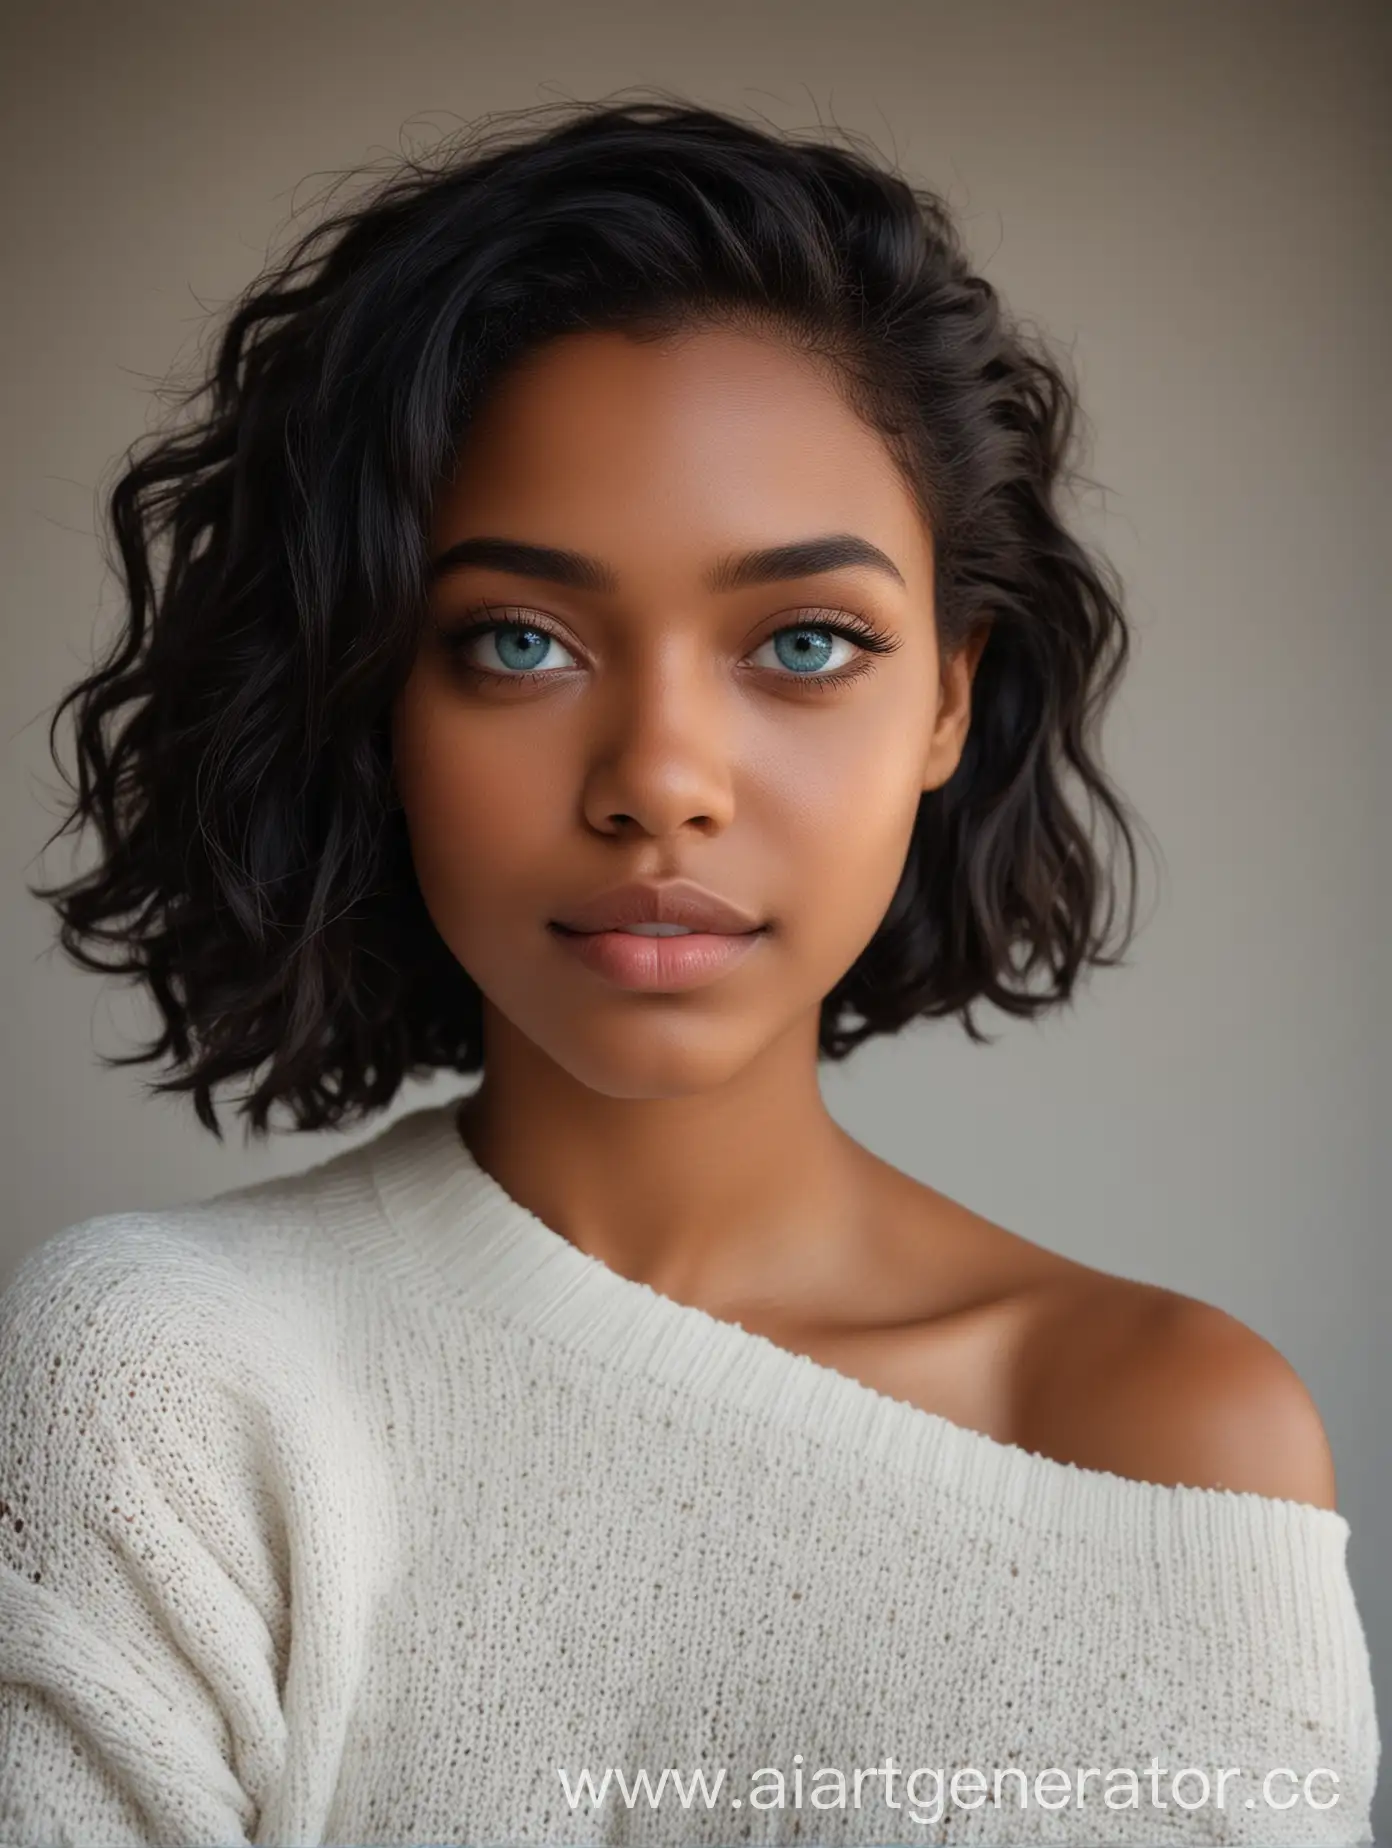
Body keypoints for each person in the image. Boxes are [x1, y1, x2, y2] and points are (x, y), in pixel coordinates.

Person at [0, 97, 1378, 1847]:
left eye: (805, 644)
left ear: (948, 698)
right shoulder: (161, 1386)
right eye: (518, 641)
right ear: (375, 697)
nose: (662, 775)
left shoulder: (1177, 1441)